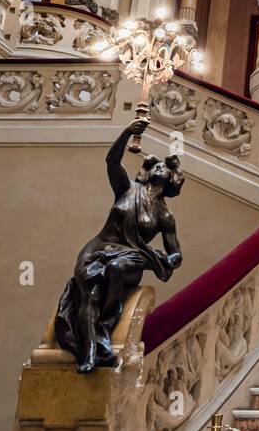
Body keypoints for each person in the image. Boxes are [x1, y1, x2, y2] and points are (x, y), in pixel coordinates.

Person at [54, 120, 184, 374]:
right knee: (90, 291)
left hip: (133, 258)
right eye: (156, 164)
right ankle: (90, 352)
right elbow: (111, 162)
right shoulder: (127, 189)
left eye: (165, 167)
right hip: (98, 248)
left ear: (172, 180)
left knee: (116, 268)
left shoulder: (164, 216)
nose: (159, 166)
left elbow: (176, 252)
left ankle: (104, 324)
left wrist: (169, 261)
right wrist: (127, 133)